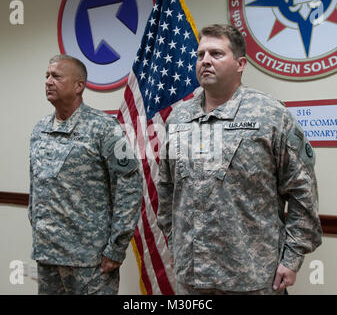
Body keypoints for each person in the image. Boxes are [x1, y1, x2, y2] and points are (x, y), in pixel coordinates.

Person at [157, 24, 322, 295]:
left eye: (216, 54)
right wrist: (176, 243)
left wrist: (291, 259)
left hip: (253, 277)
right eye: (200, 55)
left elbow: (303, 192)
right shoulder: (179, 118)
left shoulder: (271, 115)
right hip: (193, 277)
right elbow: (167, 188)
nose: (205, 61)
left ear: (240, 64)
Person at [28, 54, 142, 295]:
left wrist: (116, 248)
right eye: (46, 76)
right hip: (48, 256)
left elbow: (130, 185)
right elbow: (36, 186)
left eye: (56, 76)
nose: (48, 81)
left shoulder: (104, 127)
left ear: (79, 86)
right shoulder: (39, 130)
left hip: (90, 261)